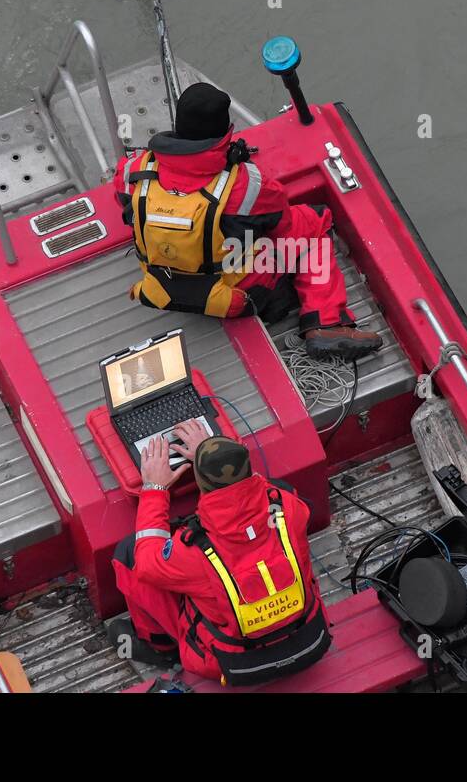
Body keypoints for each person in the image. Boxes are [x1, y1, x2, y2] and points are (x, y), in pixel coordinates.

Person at [113, 81, 382, 361]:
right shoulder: (248, 185)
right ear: (225, 134)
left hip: (161, 289)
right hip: (238, 296)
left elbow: (123, 203)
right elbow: (284, 226)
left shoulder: (132, 170)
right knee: (314, 221)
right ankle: (326, 323)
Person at [109, 419, 331, 686]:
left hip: (230, 662)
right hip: (309, 636)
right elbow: (263, 491)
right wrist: (215, 454)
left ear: (201, 484)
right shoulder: (289, 508)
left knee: (130, 555)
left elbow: (147, 562)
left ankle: (160, 647)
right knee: (283, 490)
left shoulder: (192, 552)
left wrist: (155, 489)